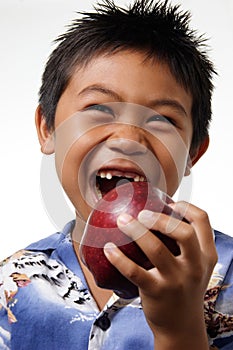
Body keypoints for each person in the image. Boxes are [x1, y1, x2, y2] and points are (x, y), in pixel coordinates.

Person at [0, 0, 233, 349]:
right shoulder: (10, 285)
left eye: (163, 119)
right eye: (98, 109)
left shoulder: (227, 278)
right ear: (47, 129)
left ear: (193, 153)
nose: (128, 139)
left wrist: (180, 328)